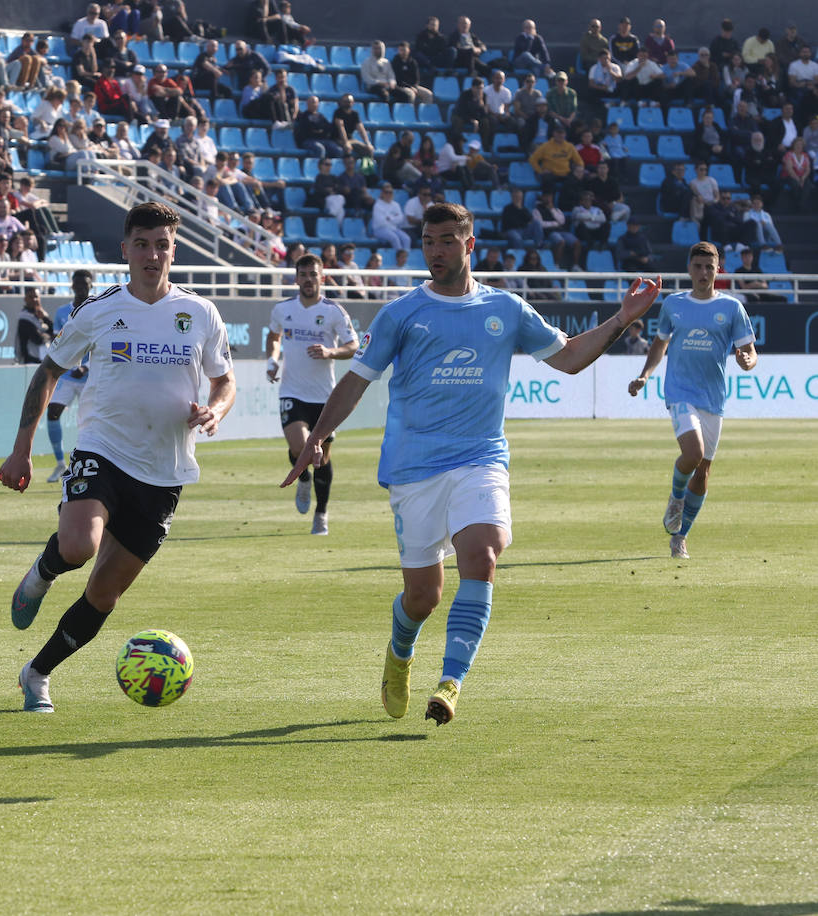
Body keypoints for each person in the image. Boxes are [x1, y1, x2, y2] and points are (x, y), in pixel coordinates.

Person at [283, 202, 661, 726]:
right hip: (414, 469)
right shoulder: (400, 313)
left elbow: (570, 358)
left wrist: (623, 318)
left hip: (481, 456)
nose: (434, 251)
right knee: (423, 597)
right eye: (427, 241)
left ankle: (451, 682)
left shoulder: (506, 309)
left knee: (483, 555)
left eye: (445, 241)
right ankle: (398, 654)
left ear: (469, 245)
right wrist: (317, 437)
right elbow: (355, 380)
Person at [0, 202, 235, 713]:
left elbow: (225, 380)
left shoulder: (199, 313)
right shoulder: (99, 310)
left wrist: (215, 410)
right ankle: (41, 574)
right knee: (80, 545)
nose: (153, 254)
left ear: (175, 250)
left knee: (104, 595)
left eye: (162, 245)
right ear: (125, 250)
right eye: (143, 244)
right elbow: (48, 372)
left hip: (165, 470)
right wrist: (21, 451)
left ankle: (36, 674)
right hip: (102, 450)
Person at [628, 242, 757, 559]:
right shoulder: (673, 305)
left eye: (709, 267)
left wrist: (747, 361)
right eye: (698, 266)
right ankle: (675, 496)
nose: (703, 273)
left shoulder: (731, 308)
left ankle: (679, 536)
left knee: (703, 472)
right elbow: (660, 344)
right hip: (679, 392)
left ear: (718, 270)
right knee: (693, 453)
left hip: (713, 397)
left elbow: (750, 352)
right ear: (689, 268)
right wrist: (645, 375)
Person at [264, 254, 359, 536]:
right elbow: (274, 336)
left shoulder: (333, 311)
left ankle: (321, 513)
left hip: (325, 397)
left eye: (313, 274)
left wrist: (331, 352)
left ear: (322, 277)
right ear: (296, 278)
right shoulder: (283, 309)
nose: (308, 279)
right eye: (303, 274)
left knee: (323, 457)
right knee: (300, 447)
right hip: (292, 392)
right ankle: (302, 477)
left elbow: (354, 346)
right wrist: (272, 361)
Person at [44, 269, 94, 482]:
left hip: (89, 377)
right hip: (66, 376)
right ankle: (60, 464)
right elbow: (59, 343)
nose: (82, 288)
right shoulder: (62, 312)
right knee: (52, 413)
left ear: (91, 286)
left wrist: (87, 366)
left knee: (90, 422)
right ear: (72, 286)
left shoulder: (97, 310)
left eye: (86, 284)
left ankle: (89, 464)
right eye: (78, 284)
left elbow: (101, 344)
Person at [16, 286, 52, 365]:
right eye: (30, 297)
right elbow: (38, 339)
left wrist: (46, 318)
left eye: (36, 297)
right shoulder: (24, 317)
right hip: (30, 361)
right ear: (25, 299)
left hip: (43, 361)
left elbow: (56, 333)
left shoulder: (42, 314)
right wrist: (50, 335)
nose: (34, 300)